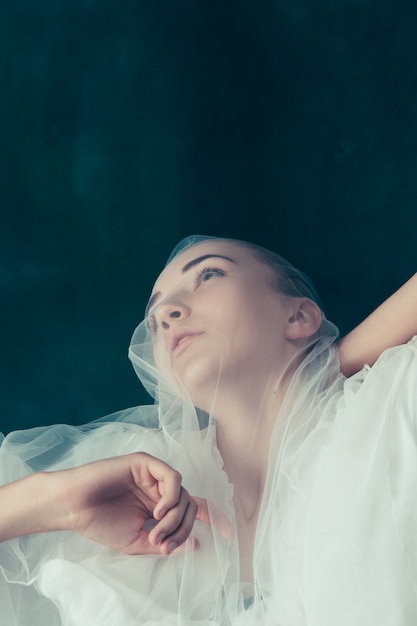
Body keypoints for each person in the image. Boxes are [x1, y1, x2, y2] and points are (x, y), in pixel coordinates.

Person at [0, 235, 416, 626]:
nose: (165, 313)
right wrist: (57, 500)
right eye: (154, 313)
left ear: (299, 315)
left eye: (209, 274)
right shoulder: (141, 493)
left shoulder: (387, 416)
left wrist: (329, 374)